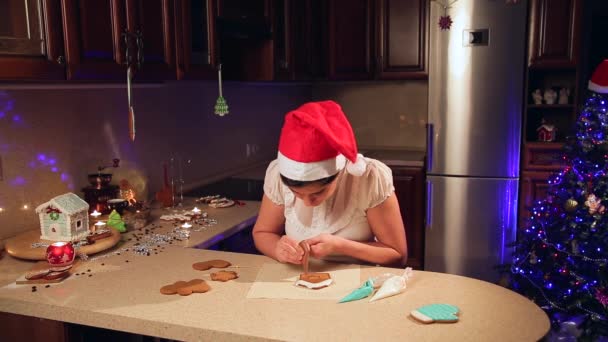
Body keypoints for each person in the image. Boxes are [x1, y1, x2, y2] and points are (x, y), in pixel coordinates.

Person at [252, 100, 407, 267]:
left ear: (338, 174)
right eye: (296, 193)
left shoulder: (369, 178)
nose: (307, 203)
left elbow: (397, 254)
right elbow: (262, 233)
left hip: (358, 281)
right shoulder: (277, 176)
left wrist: (341, 246)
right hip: (295, 280)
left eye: (318, 193)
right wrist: (277, 248)